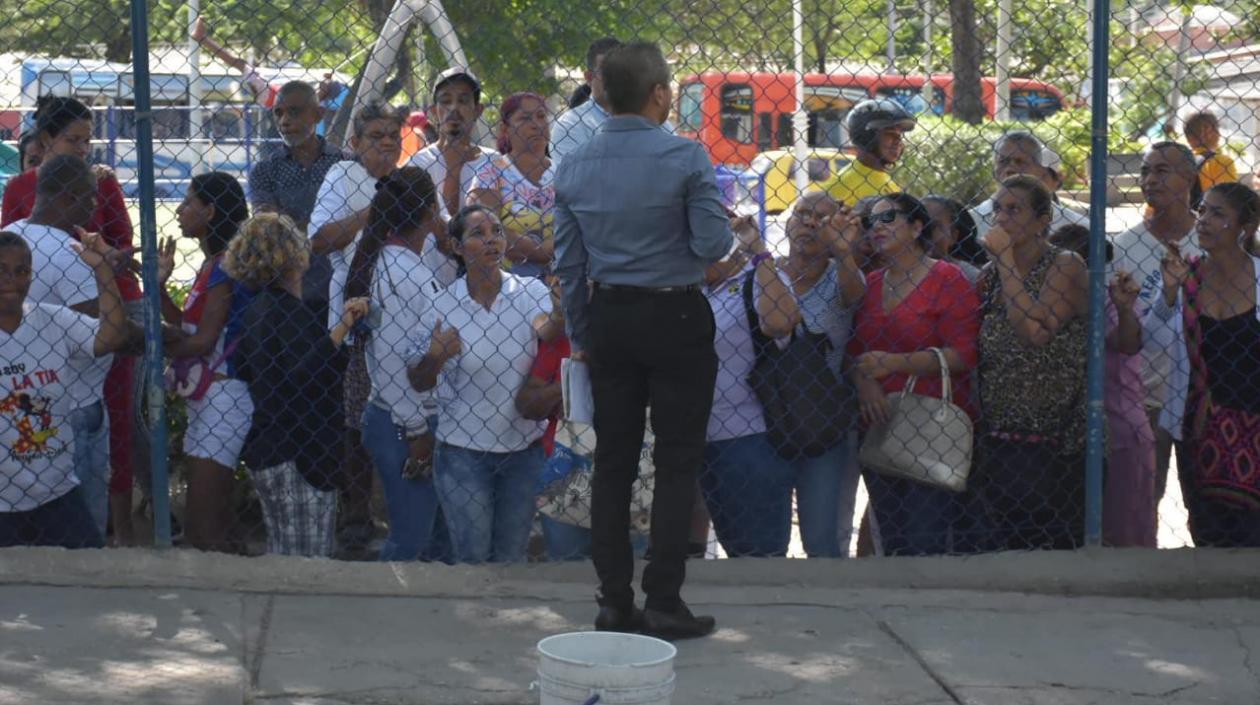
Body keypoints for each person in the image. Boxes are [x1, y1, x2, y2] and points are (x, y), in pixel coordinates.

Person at [555, 42, 734, 640]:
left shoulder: (575, 164)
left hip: (609, 316)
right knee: (677, 460)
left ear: (605, 93)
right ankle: (663, 599)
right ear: (659, 93)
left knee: (614, 461)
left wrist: (583, 332)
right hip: (675, 317)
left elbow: (568, 263)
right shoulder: (686, 157)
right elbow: (713, 246)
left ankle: (612, 600)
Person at [308, 100, 452, 554]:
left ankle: (408, 514)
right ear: (355, 143)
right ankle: (357, 516)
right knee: (359, 423)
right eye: (376, 137)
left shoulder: (412, 180)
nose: (387, 144)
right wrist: (376, 211)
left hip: (415, 315)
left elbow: (443, 231)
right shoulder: (343, 178)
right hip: (360, 321)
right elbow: (320, 239)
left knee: (412, 410)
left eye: (394, 135)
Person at [2, 96, 141, 543]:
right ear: (71, 197)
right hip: (73, 406)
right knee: (79, 529)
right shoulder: (69, 254)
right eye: (89, 199)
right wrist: (165, 337)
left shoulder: (15, 239)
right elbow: (106, 331)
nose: (92, 208)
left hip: (28, 400)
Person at [407, 205, 560, 563]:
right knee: (473, 557)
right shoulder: (441, 303)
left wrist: (562, 312)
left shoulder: (529, 292)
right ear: (458, 248)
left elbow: (547, 329)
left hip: (523, 450)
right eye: (478, 234)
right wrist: (436, 357)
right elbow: (417, 380)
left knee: (510, 556)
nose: (492, 239)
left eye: (497, 232)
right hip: (464, 454)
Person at [225, 213, 368, 557]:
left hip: (269, 447)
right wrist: (345, 327)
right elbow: (310, 372)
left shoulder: (255, 310)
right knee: (308, 556)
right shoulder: (290, 313)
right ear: (293, 256)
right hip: (300, 455)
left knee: (283, 548)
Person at [848, 193, 981, 556]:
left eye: (889, 217)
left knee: (926, 537)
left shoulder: (948, 278)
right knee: (889, 536)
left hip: (931, 428)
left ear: (917, 226)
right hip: (879, 425)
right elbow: (855, 350)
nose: (877, 227)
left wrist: (895, 363)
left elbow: (963, 354)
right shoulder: (871, 283)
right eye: (869, 221)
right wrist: (865, 383)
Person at [975, 175, 1089, 551]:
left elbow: (1037, 333)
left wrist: (1005, 260)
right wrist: (1002, 267)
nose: (1002, 219)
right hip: (1001, 430)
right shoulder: (989, 276)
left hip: (1056, 436)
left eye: (1014, 210)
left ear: (1043, 221)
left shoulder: (1064, 263)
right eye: (998, 210)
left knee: (1053, 542)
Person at [1148, 182, 1260, 547]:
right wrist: (1167, 293)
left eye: (1218, 214)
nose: (1204, 221)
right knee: (1208, 530)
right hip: (1199, 422)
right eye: (1202, 210)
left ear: (1245, 228)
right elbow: (1150, 341)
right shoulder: (1186, 275)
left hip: (1255, 421)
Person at [0, 230, 128, 548]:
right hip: (3, 502)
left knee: (85, 577)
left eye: (21, 271)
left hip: (57, 493)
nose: (11, 281)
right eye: (0, 271)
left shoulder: (52, 320)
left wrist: (102, 271)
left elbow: (109, 337)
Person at [344, 167, 447, 562]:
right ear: (428, 212)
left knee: (423, 534)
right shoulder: (404, 273)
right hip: (403, 423)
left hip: (396, 417)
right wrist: (418, 429)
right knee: (410, 539)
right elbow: (390, 359)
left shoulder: (389, 261)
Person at [157, 172, 254, 552]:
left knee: (204, 525)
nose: (179, 211)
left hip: (224, 398)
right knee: (209, 518)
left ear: (210, 211)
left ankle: (225, 598)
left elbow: (201, 341)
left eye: (187, 202)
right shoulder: (212, 263)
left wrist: (148, 344)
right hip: (208, 397)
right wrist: (162, 286)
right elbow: (185, 325)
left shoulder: (226, 265)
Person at [1049, 224, 1155, 547]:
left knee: (1124, 534)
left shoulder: (1110, 301)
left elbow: (1126, 343)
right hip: (1069, 434)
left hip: (1119, 429)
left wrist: (1124, 310)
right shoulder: (1051, 302)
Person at [1112, 142, 1204, 509]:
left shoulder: (1211, 240)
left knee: (1207, 504)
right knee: (1142, 503)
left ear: (1190, 177)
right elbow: (1123, 336)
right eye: (1146, 171)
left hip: (1203, 395)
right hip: (1146, 396)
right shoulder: (1123, 246)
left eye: (1162, 171)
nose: (1150, 180)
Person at [247, 80, 347, 322]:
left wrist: (289, 222)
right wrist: (328, 231)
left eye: (294, 111)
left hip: (339, 287)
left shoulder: (344, 164)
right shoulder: (265, 170)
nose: (284, 121)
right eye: (278, 113)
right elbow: (271, 229)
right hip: (287, 291)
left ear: (318, 114)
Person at [469, 92, 555, 278]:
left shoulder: (564, 172)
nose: (536, 125)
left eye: (541, 116)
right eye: (524, 118)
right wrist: (542, 253)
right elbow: (486, 231)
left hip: (565, 290)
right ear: (505, 129)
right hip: (509, 290)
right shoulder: (491, 173)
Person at [406, 68, 498, 220]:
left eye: (463, 101)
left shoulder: (494, 162)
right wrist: (453, 168)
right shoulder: (418, 164)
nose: (454, 108)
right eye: (446, 101)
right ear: (434, 111)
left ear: (478, 110)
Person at [970, 132, 1088, 240]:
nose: (1010, 169)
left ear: (1038, 170)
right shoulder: (972, 220)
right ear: (994, 170)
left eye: (1020, 162)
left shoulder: (1076, 225)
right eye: (1003, 161)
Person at [816, 98, 916, 205]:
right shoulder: (841, 185)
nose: (898, 142)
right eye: (890, 134)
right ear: (866, 137)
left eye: (899, 136)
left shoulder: (887, 181)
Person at [551, 38, 622, 167]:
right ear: (589, 78)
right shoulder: (570, 125)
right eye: (607, 72)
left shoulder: (652, 119)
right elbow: (572, 182)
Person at [922, 195, 986, 282]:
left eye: (933, 226)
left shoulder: (970, 278)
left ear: (952, 236)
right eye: (918, 226)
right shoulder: (900, 273)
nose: (924, 233)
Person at [1182, 111, 1238, 195]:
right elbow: (1228, 199)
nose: (1219, 135)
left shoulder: (1179, 161)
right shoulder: (1222, 162)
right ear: (1207, 131)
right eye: (1217, 129)